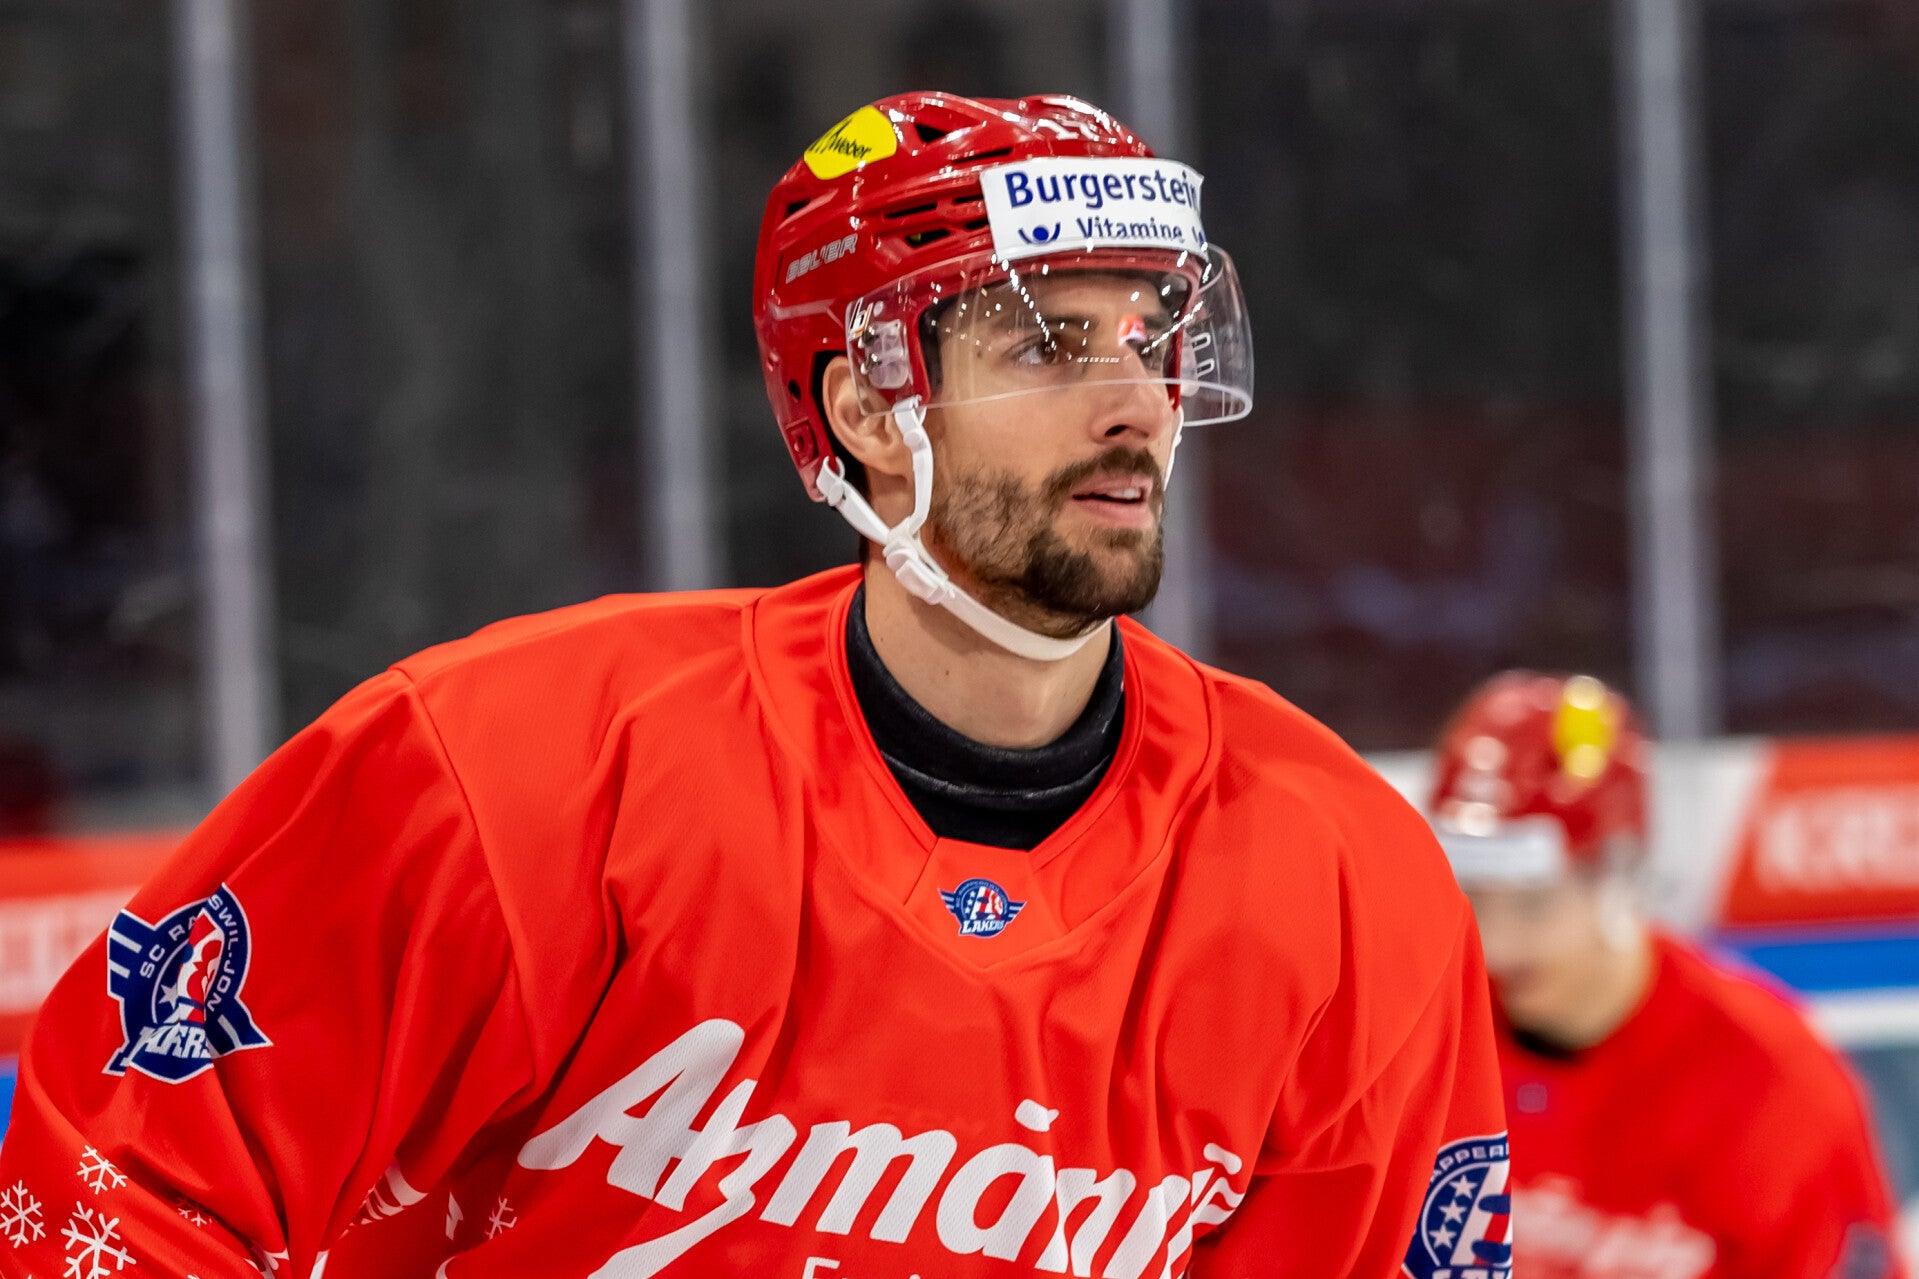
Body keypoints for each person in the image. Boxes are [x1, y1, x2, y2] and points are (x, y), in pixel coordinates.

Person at [0, 93, 1507, 1279]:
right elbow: (118, 1174)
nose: (1132, 402)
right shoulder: (520, 770)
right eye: (1046, 343)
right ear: (868, 407)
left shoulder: (1343, 878)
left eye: (1147, 335)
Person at [1427, 669, 1905, 1279]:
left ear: (1618, 875)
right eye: (1471, 896)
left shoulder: (1771, 1081)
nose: (1495, 945)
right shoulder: (1422, 1042)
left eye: (1532, 904)